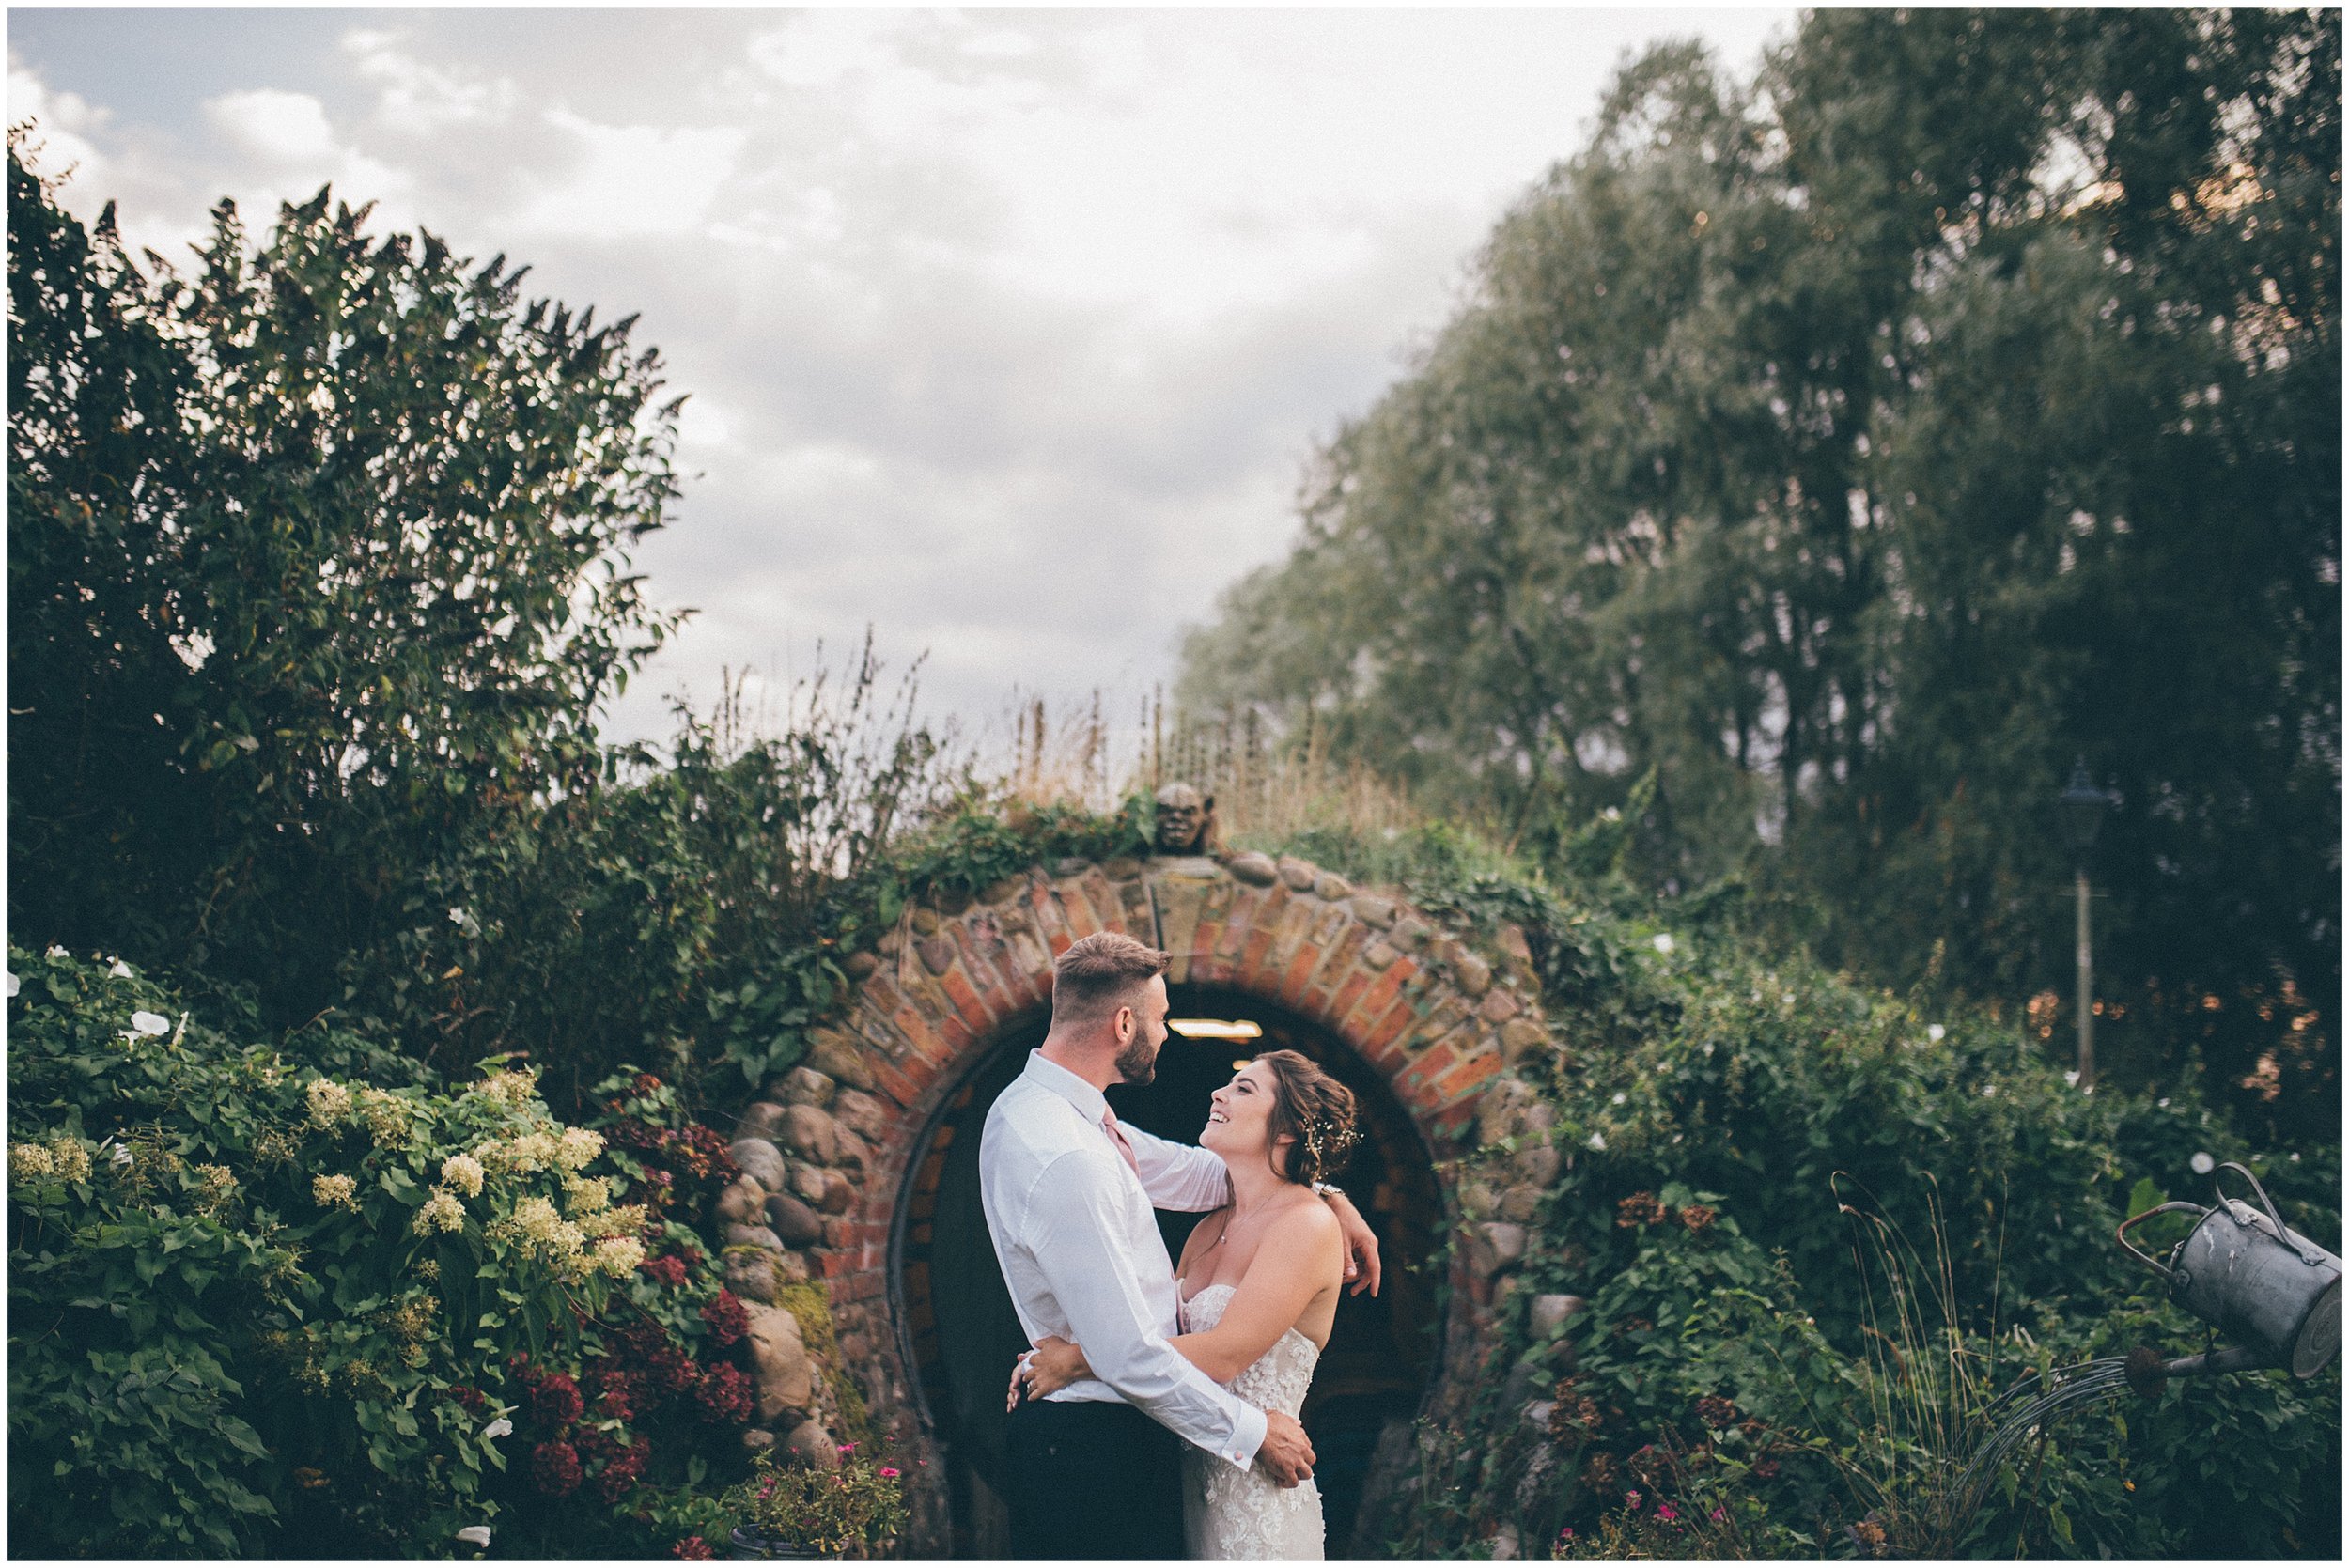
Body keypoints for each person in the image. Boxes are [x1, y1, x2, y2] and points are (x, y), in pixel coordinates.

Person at [978, 931, 1381, 1560]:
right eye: (1160, 1018)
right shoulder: (1066, 1154)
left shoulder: (1068, 1119)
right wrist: (1253, 1433)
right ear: (1123, 1022)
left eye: (1244, 1088)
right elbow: (1132, 1355)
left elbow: (1210, 1173)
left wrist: (1327, 1195)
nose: (1165, 1033)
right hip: (1098, 1451)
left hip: (1161, 1450)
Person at [1011, 1049, 1358, 1560]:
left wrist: (1077, 1360)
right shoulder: (1207, 1228)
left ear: (1287, 1130)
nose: (1219, 1094)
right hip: (1178, 1486)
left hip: (1256, 1496)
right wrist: (1054, 1353)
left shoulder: (1306, 1226)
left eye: (1244, 1089)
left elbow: (1221, 1355)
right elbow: (1156, 1331)